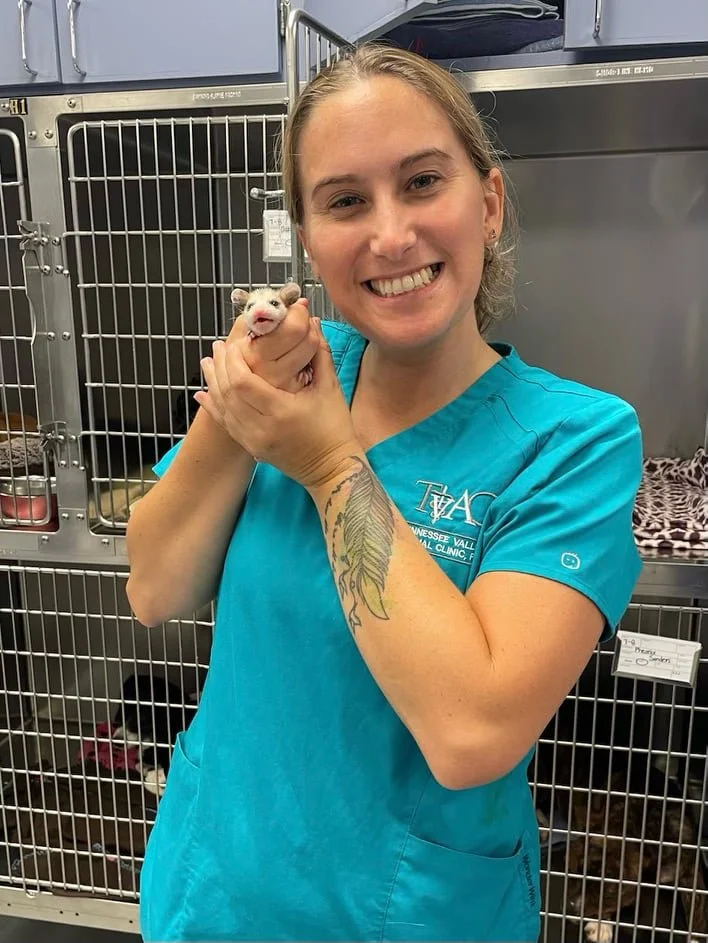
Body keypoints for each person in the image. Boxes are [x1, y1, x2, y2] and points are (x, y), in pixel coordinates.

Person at [127, 43, 643, 943]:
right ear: (308, 237)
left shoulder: (577, 441)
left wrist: (328, 465)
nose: (390, 235)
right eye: (345, 201)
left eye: (422, 182)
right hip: (212, 893)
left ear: (486, 204)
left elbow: (472, 731)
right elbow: (154, 588)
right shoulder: (296, 376)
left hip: (407, 916)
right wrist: (235, 403)